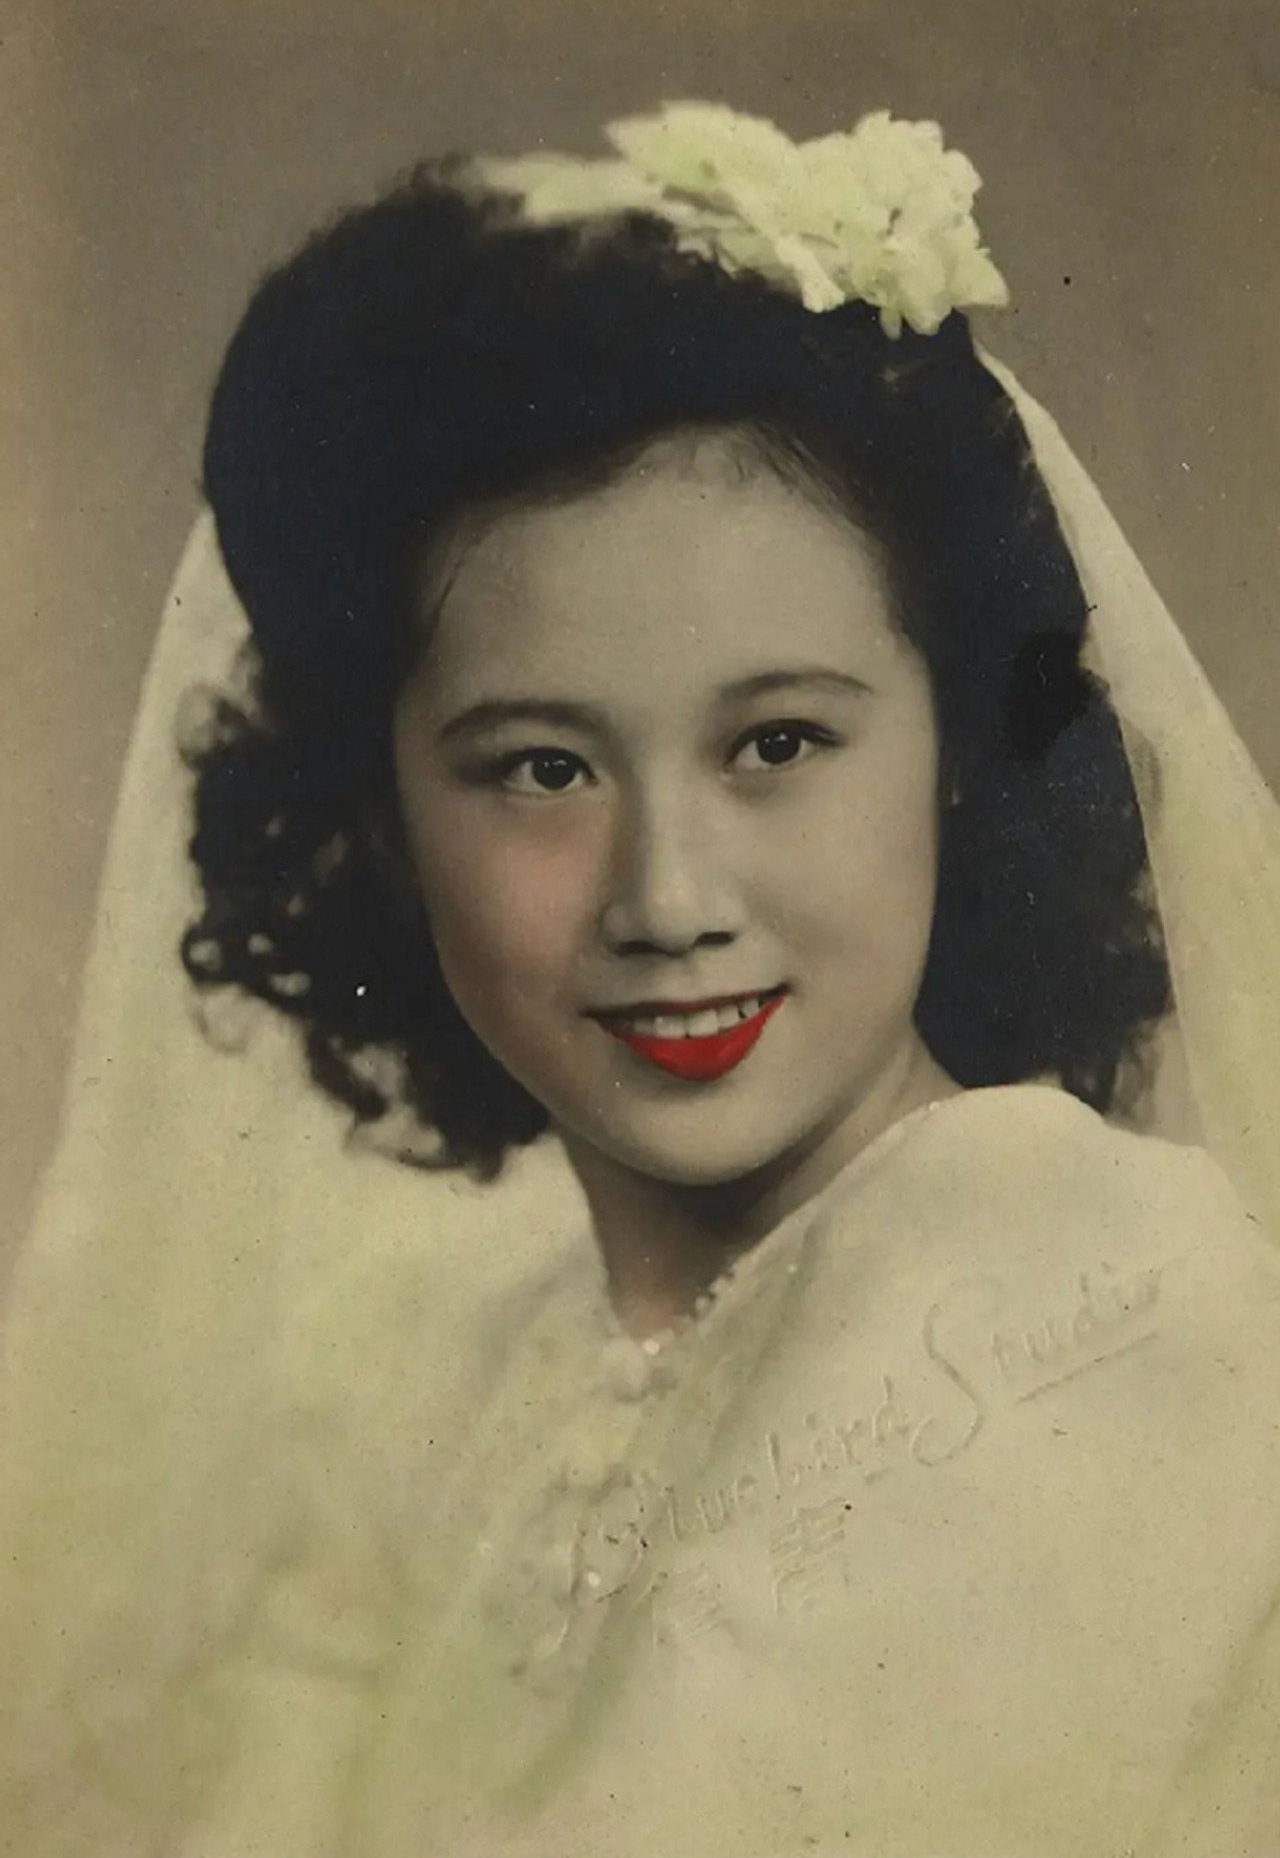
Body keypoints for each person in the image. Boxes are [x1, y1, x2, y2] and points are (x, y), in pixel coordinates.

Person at [2, 103, 1279, 1857]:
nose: (669, 899)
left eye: (778, 742)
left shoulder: (1084, 1277)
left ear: (957, 752)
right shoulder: (490, 1362)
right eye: (542, 768)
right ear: (380, 817)